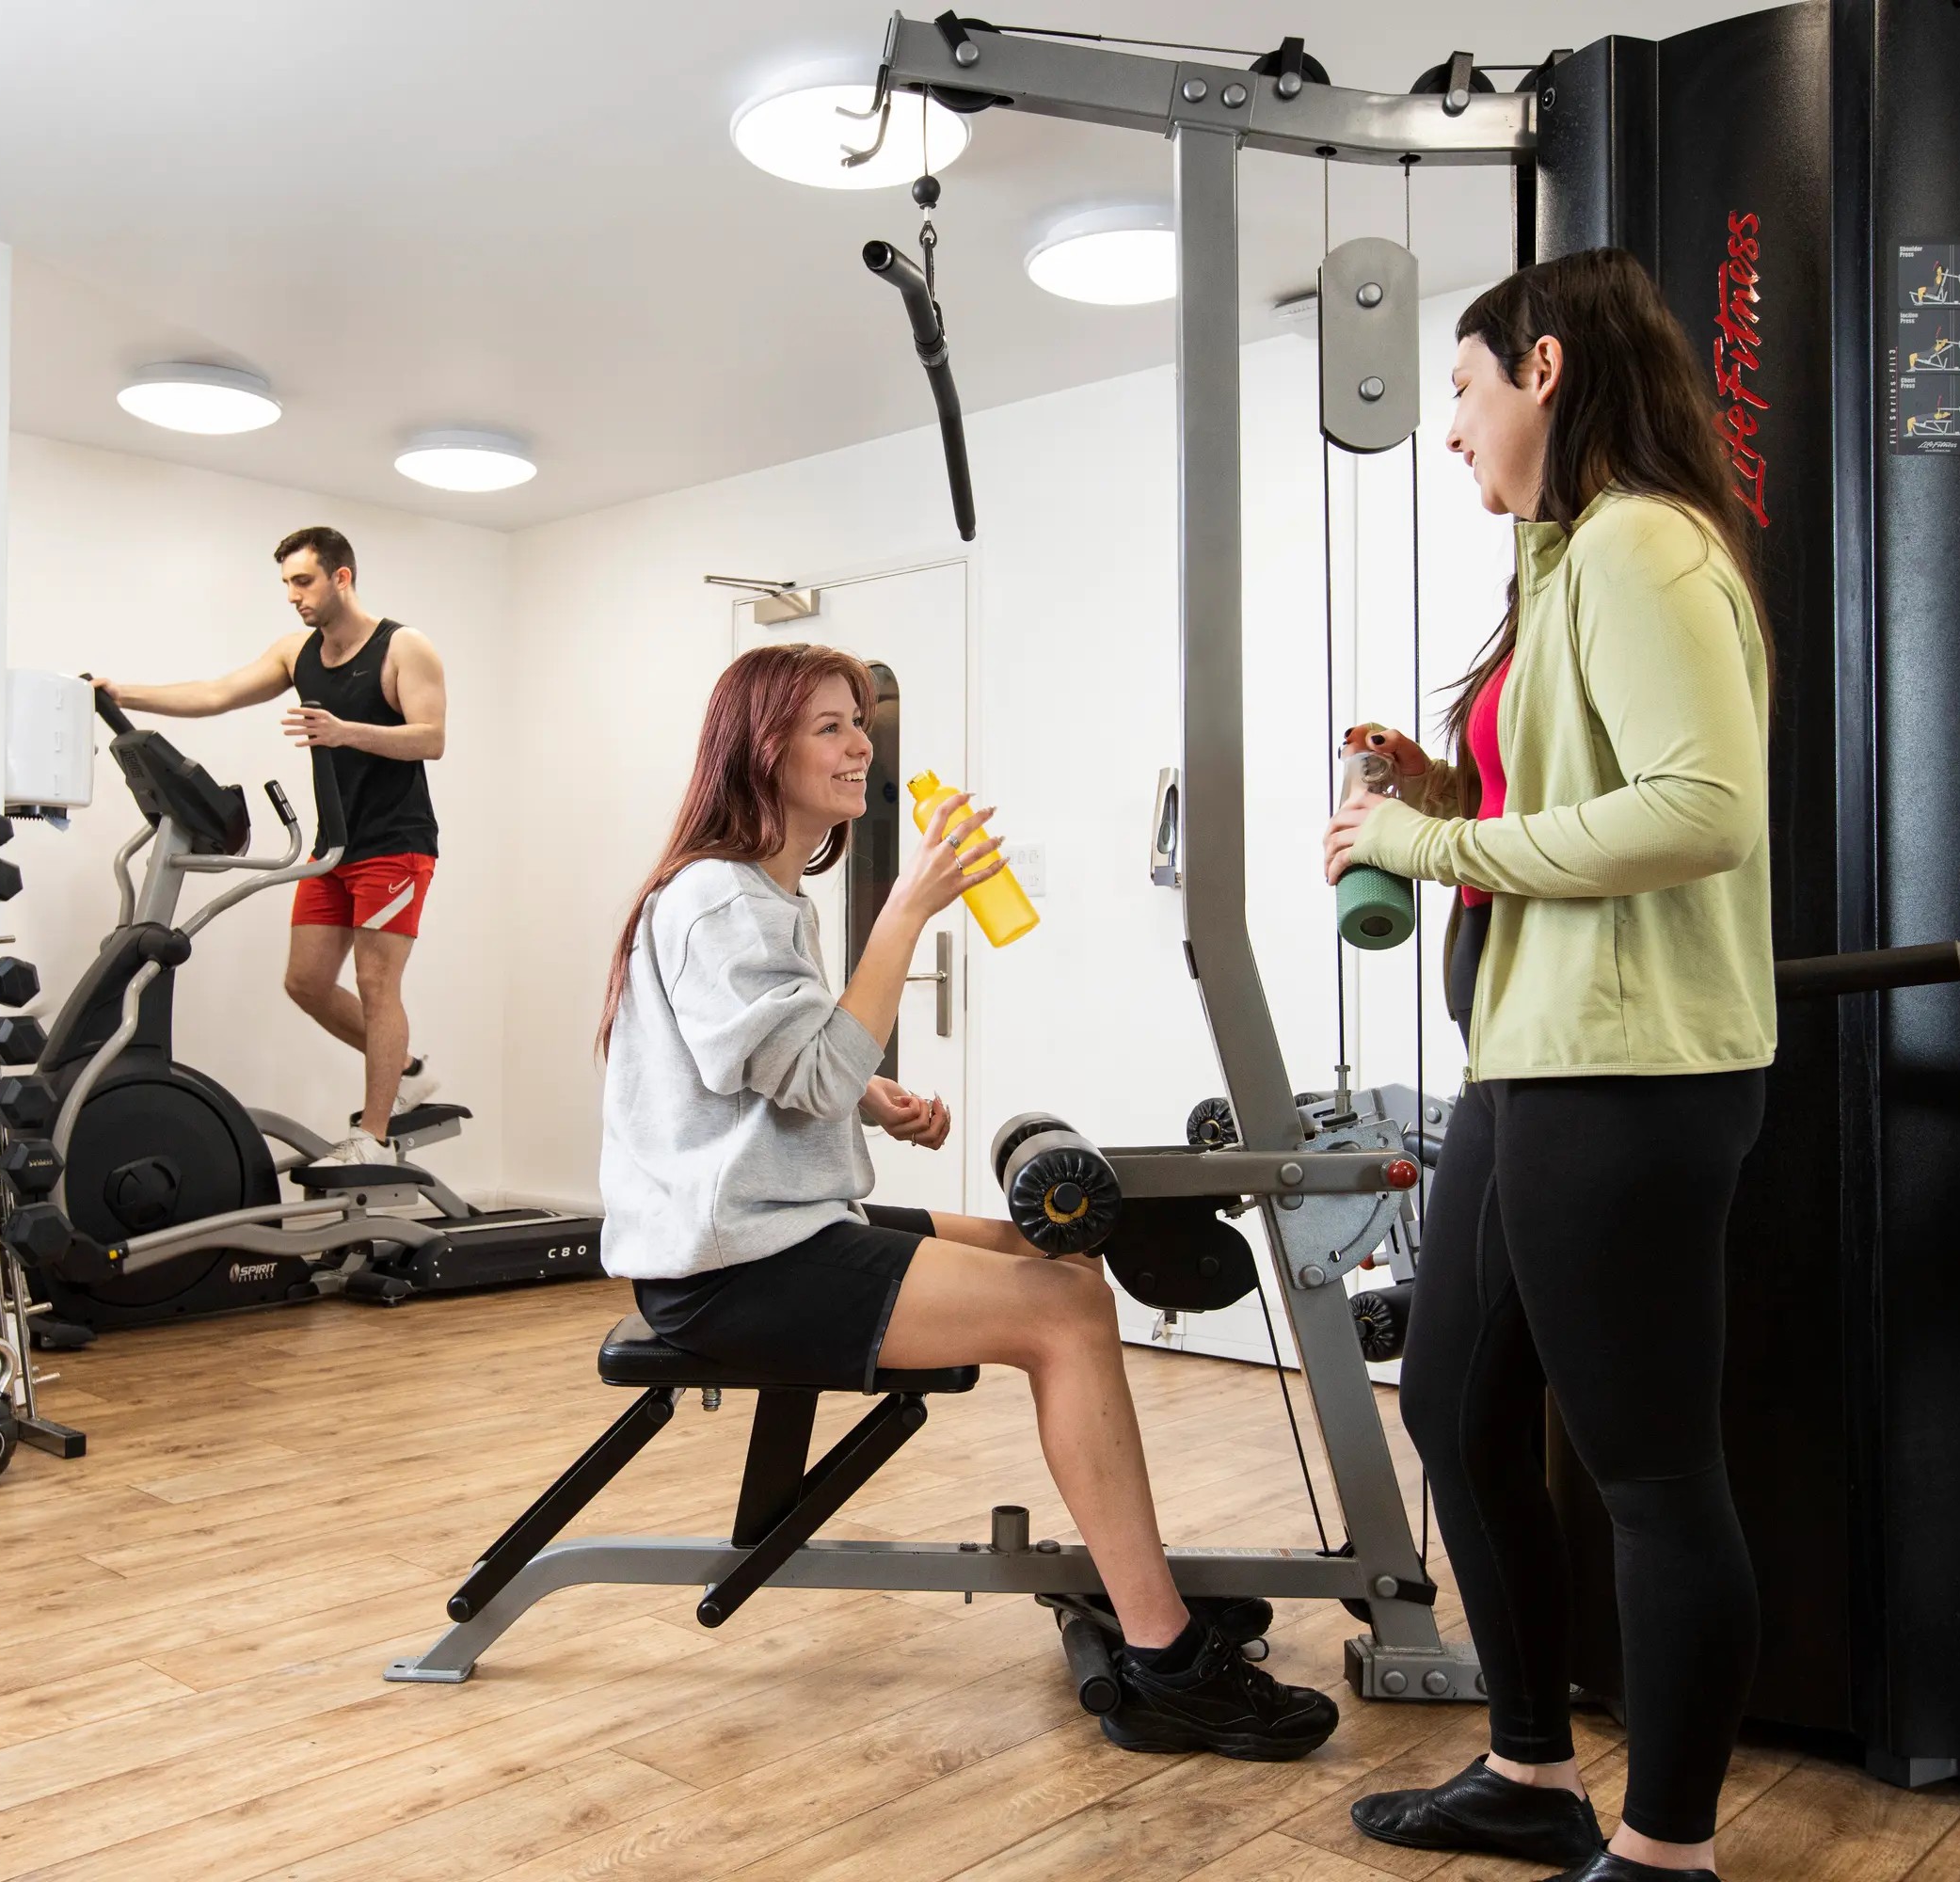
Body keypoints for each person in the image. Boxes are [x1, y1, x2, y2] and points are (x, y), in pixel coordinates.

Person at [596, 641, 1340, 1762]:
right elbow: (801, 1072)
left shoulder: (759, 896)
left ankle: (1127, 1576)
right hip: (734, 1265)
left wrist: (869, 1096)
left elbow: (779, 1070)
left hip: (778, 1225)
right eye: (832, 726)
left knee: (1058, 1256)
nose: (862, 746)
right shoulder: (720, 901)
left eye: (861, 723)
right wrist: (905, 914)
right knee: (1066, 1312)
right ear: (762, 749)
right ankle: (1166, 1664)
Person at [1325, 249, 1777, 1882]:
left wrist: (1432, 838)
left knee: (1650, 1472)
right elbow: (1569, 795)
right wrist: (1439, 780)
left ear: (1547, 367)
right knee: (1450, 1405)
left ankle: (1668, 1855)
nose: (1447, 428)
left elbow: (1700, 808)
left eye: (1460, 386)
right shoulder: (1565, 561)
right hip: (1531, 1061)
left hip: (1633, 1073)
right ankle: (1527, 1771)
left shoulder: (1647, 544)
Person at [96, 525, 442, 1158]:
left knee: (376, 983)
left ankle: (375, 1133)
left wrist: (346, 732)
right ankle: (411, 1073)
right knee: (305, 983)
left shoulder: (403, 646)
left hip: (396, 843)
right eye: (285, 583)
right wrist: (122, 693)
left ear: (342, 577)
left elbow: (430, 738)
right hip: (333, 845)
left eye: (303, 581)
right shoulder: (296, 652)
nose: (292, 596)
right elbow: (216, 694)